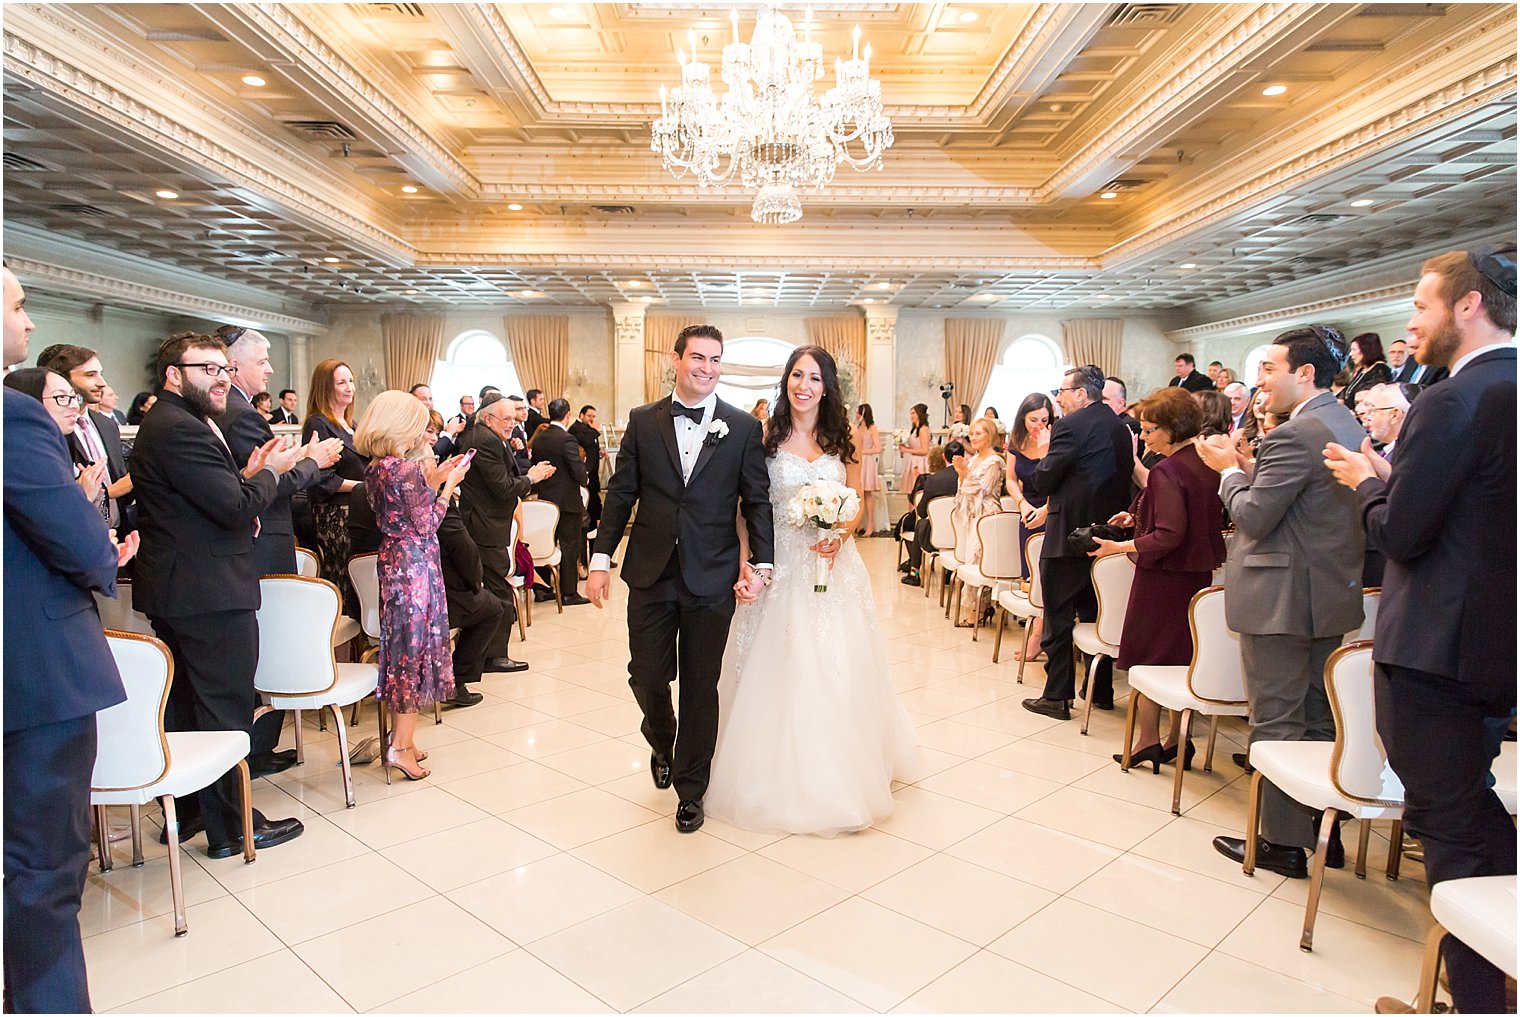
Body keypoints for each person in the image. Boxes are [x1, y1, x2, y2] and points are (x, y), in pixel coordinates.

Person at [1323, 245, 1517, 1016]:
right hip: (1495, 643)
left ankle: (1477, 1003)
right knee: (1472, 802)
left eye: (1421, 306)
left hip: (1436, 646)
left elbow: (1404, 532)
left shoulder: (1454, 399)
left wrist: (1373, 484)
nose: (1410, 323)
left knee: (1449, 827)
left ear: (1468, 306)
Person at [706, 345, 917, 835]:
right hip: (777, 565)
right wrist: (749, 567)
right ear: (786, 381)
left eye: (815, 378)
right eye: (797, 375)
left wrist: (840, 536)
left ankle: (844, 766)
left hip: (834, 568)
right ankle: (770, 770)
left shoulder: (839, 438)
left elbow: (856, 505)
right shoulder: (762, 438)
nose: (804, 385)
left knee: (837, 664)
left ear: (827, 387)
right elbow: (746, 510)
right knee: (776, 663)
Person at [3, 265, 133, 1014]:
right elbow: (85, 551)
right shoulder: (15, 419)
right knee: (44, 871)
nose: (27, 325)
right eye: (18, 308)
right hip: (33, 672)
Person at [1195, 325, 1366, 880]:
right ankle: (1322, 831)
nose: (1260, 379)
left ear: (1305, 373)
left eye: (1269, 368)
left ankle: (1282, 843)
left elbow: (1252, 516)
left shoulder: (1297, 433)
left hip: (1282, 598)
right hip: (1326, 593)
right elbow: (1297, 505)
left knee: (1277, 719)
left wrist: (1226, 472)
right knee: (1318, 718)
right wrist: (1249, 471)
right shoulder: (1344, 422)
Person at [131, 332, 311, 860]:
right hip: (207, 589)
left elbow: (213, 498)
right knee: (224, 707)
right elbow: (233, 506)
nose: (220, 378)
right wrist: (271, 475)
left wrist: (250, 477)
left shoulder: (173, 422)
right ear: (172, 374)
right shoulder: (178, 427)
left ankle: (189, 812)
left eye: (222, 369)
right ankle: (233, 828)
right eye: (206, 368)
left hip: (186, 585)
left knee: (188, 705)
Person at [588, 324, 774, 834]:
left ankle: (691, 788)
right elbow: (621, 493)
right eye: (698, 358)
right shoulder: (643, 421)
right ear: (676, 360)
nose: (707, 368)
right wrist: (601, 558)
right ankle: (661, 735)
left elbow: (756, 501)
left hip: (711, 574)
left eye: (716, 360)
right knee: (646, 674)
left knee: (700, 684)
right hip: (650, 570)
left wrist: (762, 564)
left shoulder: (740, 428)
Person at [218, 326, 342, 777]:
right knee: (261, 643)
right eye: (263, 360)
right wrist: (313, 463)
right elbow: (267, 485)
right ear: (234, 364)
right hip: (260, 538)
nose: (271, 369)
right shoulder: (240, 414)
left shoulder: (237, 410)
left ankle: (262, 748)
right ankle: (256, 750)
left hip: (256, 536)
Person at [1098, 389, 1226, 771]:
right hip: (1195, 576)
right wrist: (1134, 516)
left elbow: (1169, 534)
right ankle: (1177, 741)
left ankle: (1148, 740)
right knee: (1179, 659)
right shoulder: (1202, 463)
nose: (1144, 436)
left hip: (1164, 578)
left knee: (1148, 659)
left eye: (1150, 429)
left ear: (1171, 428)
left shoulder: (1169, 470)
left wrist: (1116, 549)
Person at [355, 392, 471, 780]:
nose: (424, 432)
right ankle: (400, 746)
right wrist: (449, 486)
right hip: (413, 567)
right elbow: (426, 523)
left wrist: (434, 477)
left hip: (396, 561)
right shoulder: (401, 469)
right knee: (411, 653)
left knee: (402, 650)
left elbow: (405, 508)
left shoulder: (379, 467)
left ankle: (402, 736)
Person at [1022, 365, 1135, 720]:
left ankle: (1057, 696)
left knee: (1057, 615)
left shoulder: (1070, 426)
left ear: (1082, 394)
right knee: (1094, 613)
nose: (1058, 398)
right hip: (1107, 537)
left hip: (1067, 535)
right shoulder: (1120, 427)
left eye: (1063, 391)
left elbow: (1044, 481)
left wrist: (1043, 452)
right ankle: (1099, 691)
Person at [459, 394, 553, 673]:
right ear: (488, 418)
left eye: (514, 418)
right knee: (497, 589)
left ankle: (488, 653)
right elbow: (501, 487)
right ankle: (494, 655)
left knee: (493, 587)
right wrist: (531, 478)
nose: (512, 424)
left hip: (485, 522)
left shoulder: (481, 435)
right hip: (485, 525)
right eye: (507, 419)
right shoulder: (485, 440)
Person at [37, 344, 133, 536]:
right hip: (76, 538)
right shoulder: (46, 429)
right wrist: (109, 492)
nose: (102, 383)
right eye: (90, 375)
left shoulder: (106, 425)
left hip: (119, 538)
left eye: (100, 374)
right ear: (60, 379)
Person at [302, 359, 367, 617]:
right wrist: (363, 486)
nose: (349, 388)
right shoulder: (318, 423)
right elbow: (321, 477)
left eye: (351, 381)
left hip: (359, 510)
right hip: (335, 516)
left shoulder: (354, 424)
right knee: (342, 579)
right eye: (341, 382)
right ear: (325, 388)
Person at [1004, 392, 1053, 659]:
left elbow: (1059, 481)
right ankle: (1037, 632)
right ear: (1023, 417)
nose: (1039, 425)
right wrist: (1022, 503)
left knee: (1046, 578)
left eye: (1044, 419)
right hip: (1027, 511)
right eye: (1033, 419)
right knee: (1030, 577)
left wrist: (1046, 508)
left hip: (1052, 510)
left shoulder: (1055, 439)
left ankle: (1038, 638)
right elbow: (1011, 478)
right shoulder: (1016, 441)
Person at [530, 398, 591, 605]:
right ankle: (568, 592)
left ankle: (541, 588)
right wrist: (586, 478)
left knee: (546, 541)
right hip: (567, 500)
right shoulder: (567, 439)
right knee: (569, 545)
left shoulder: (539, 439)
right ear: (567, 416)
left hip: (546, 499)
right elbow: (576, 469)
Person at [949, 417, 1006, 627]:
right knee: (971, 560)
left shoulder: (995, 461)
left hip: (987, 517)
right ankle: (977, 608)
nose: (973, 437)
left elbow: (983, 490)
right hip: (972, 515)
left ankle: (981, 609)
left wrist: (964, 473)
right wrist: (962, 474)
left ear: (989, 435)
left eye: (978, 433)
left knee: (980, 559)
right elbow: (963, 487)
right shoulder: (973, 460)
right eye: (971, 434)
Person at [900, 444, 957, 587]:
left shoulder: (934, 479)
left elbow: (923, 511)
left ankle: (915, 573)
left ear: (944, 457)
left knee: (921, 523)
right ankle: (949, 572)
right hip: (961, 537)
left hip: (936, 537)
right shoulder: (968, 478)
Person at [567, 404, 605, 562]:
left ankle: (596, 553)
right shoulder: (576, 429)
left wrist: (599, 453)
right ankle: (586, 557)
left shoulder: (587, 429)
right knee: (588, 517)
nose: (592, 419)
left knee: (597, 513)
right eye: (589, 415)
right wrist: (596, 430)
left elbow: (591, 447)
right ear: (581, 415)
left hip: (593, 478)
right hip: (585, 479)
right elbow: (586, 440)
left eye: (594, 416)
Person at [1340, 332, 1393, 409]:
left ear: (1366, 350)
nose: (1351, 354)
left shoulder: (1380, 370)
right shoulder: (1362, 370)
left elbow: (1374, 399)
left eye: (1354, 350)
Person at [852, 403, 882, 536]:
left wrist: (862, 451)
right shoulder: (857, 427)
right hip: (858, 461)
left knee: (867, 494)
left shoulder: (872, 428)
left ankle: (870, 525)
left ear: (863, 413)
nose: (856, 414)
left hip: (867, 461)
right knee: (857, 493)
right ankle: (858, 523)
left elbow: (878, 448)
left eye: (858, 412)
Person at [899, 402, 931, 492]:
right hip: (913, 460)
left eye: (913, 413)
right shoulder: (915, 429)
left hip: (920, 462)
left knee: (917, 490)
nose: (911, 416)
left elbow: (925, 450)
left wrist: (907, 450)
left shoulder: (923, 429)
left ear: (919, 414)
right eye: (911, 413)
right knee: (911, 490)